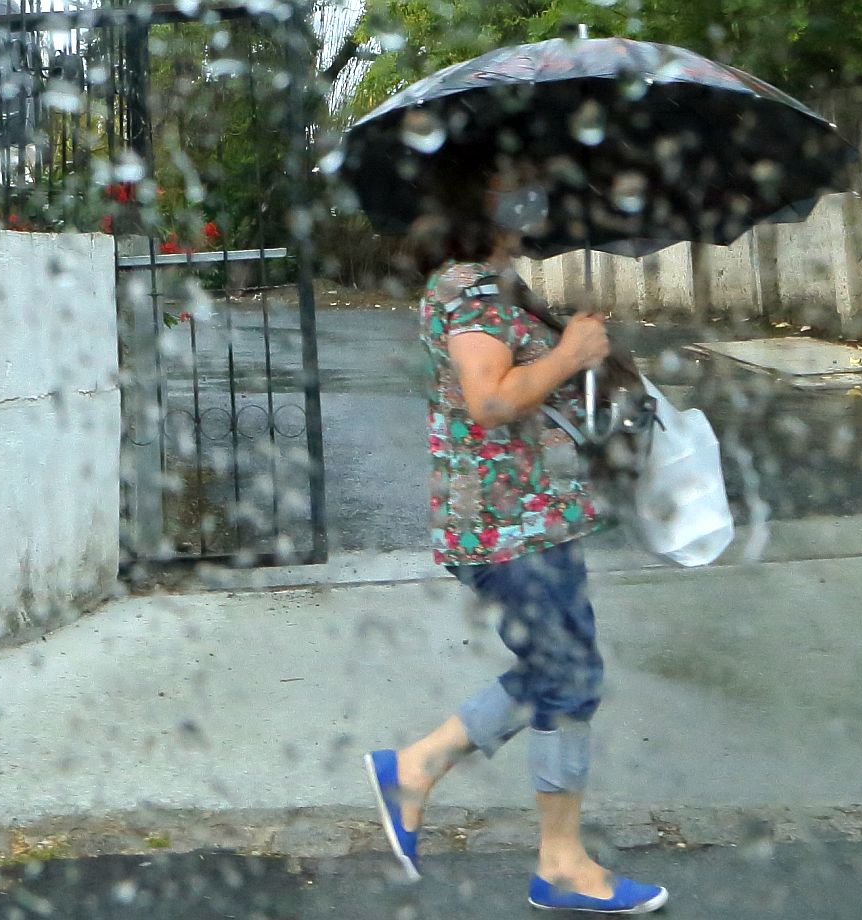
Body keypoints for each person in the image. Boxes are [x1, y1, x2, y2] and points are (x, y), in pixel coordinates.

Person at [364, 159, 669, 915]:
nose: (533, 195)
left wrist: (578, 351)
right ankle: (556, 862)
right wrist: (568, 355)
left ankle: (417, 769)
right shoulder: (469, 289)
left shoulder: (498, 285)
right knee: (569, 677)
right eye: (516, 182)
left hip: (536, 516)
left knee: (567, 673)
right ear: (482, 200)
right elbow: (489, 399)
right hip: (506, 527)